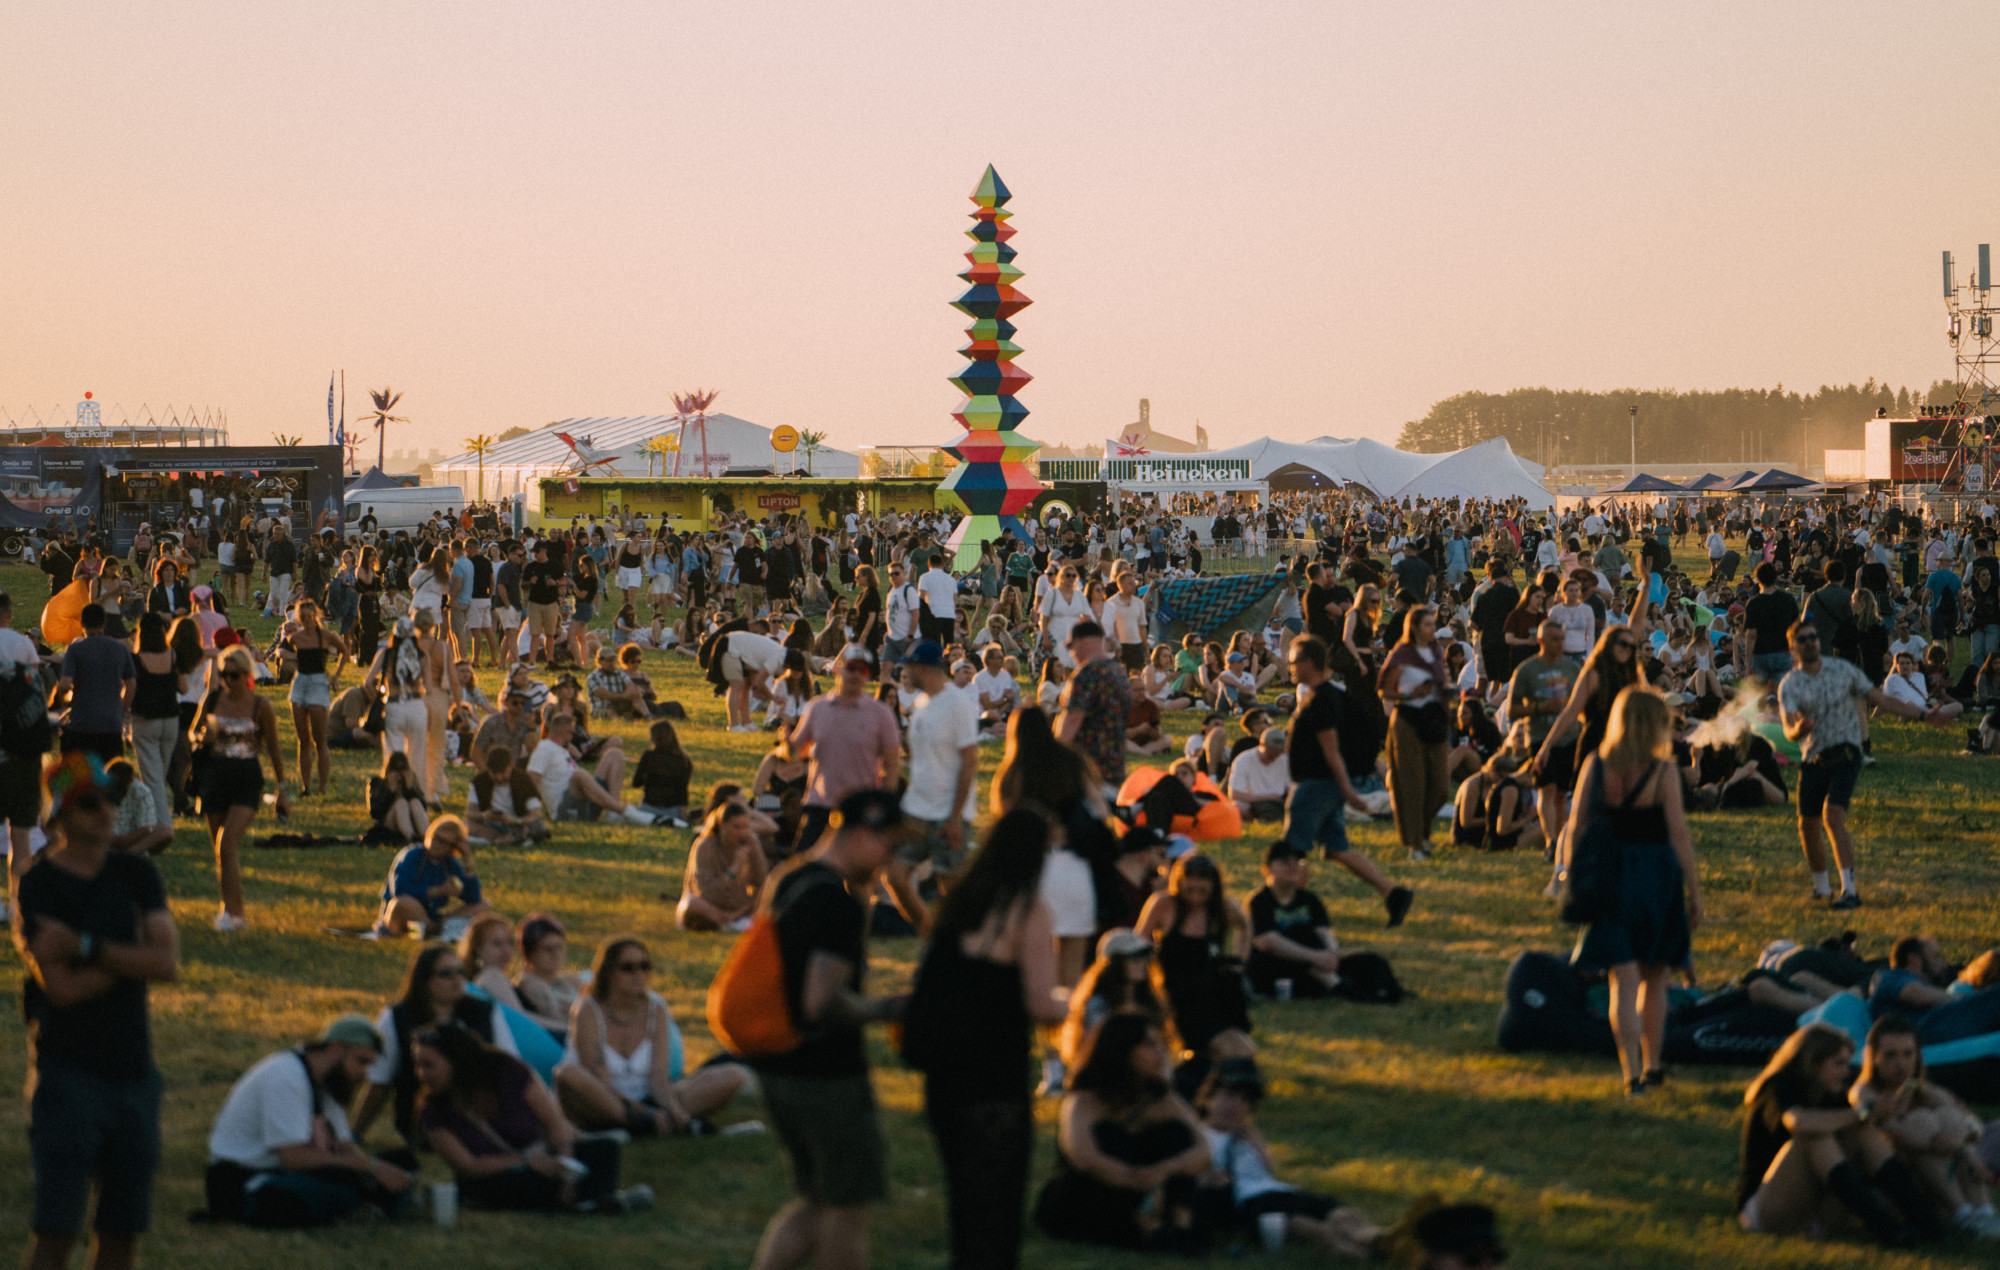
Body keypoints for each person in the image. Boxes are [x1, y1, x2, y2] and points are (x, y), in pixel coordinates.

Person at [14, 751, 179, 1270]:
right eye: (89, 803)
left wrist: (87, 947)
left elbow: (168, 962)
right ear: (60, 815)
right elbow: (58, 988)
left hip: (135, 1074)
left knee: (121, 1236)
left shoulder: (136, 875)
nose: (105, 812)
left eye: (110, 799)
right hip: (67, 1077)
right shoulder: (38, 884)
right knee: (57, 1234)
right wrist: (134, 956)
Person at [750, 789, 910, 1270]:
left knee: (817, 1201)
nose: (889, 863)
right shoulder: (839, 902)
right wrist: (889, 1007)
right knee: (847, 1209)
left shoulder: (788, 877)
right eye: (890, 847)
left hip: (778, 1065)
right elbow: (823, 1001)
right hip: (827, 1075)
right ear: (865, 835)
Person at [903, 807, 1066, 1270]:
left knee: (964, 1206)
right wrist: (1072, 1005)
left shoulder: (962, 903)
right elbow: (1039, 1005)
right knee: (996, 1216)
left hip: (945, 1077)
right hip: (995, 1077)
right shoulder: (1029, 910)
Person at [1566, 687, 1701, 1096]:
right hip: (1655, 876)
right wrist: (1695, 890)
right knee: (1655, 977)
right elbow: (1678, 834)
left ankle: (1631, 1074)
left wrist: (1571, 876)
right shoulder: (1663, 771)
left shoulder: (1598, 762)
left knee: (1620, 982)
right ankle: (1655, 1067)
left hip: (1610, 875)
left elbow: (1576, 825)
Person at [1779, 618, 1953, 908]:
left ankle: (1850, 891)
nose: (1810, 642)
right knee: (1807, 824)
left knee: (1833, 815)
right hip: (1814, 755)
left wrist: (1924, 716)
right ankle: (1822, 888)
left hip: (1847, 750)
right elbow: (1788, 726)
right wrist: (1798, 731)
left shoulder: (1842, 670)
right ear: (1793, 647)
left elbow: (1880, 699)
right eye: (1803, 639)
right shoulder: (1790, 684)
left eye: (1813, 637)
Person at [1737, 1023, 1944, 1246]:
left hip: (1818, 1211)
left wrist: (1884, 1116)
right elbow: (1798, 1121)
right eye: (1838, 1064)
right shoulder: (1779, 1085)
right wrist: (1863, 1113)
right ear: (1812, 1063)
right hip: (1767, 1210)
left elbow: (1865, 1129)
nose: (1846, 1072)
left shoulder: (1832, 1092)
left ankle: (1926, 1220)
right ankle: (1888, 1229)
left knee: (1862, 1131)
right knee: (1814, 1136)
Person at [414, 1023, 648, 1214]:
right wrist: (526, 1160)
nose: (422, 1074)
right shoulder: (433, 1113)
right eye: (419, 1066)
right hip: (495, 1175)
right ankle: (594, 1202)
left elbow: (554, 1123)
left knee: (605, 1149)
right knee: (521, 1183)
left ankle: (584, 1200)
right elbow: (469, 1166)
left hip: (545, 1155)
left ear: (455, 1061)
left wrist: (567, 1171)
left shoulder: (509, 1072)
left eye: (429, 1066)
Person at [203, 1015, 414, 1227]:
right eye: (361, 1061)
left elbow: (344, 1146)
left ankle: (367, 1204)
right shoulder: (286, 1075)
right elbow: (294, 1157)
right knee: (307, 1194)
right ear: (335, 1047)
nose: (365, 1074)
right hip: (249, 1182)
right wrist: (369, 1167)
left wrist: (375, 1172)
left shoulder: (329, 1080)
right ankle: (372, 1204)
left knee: (403, 1162)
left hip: (290, 1173)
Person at [1032, 1013, 1213, 1252]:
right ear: (1121, 1050)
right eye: (1149, 1045)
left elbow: (1203, 1151)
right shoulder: (1086, 1099)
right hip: (1093, 1192)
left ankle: (1176, 1226)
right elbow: (1085, 1158)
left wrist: (1164, 1170)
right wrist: (1135, 1179)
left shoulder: (1163, 1097)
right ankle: (1149, 1231)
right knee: (1109, 1135)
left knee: (1175, 1135)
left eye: (1161, 1044)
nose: (1160, 1052)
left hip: (1147, 1187)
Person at [554, 935, 747, 1135]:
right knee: (566, 1075)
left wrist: (674, 1109)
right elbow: (600, 1079)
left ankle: (643, 1127)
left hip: (651, 1098)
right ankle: (650, 1124)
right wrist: (646, 1113)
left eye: (644, 966)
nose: (638, 974)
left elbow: (658, 1078)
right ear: (608, 972)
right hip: (607, 1098)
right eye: (628, 968)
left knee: (733, 1076)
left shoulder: (656, 1008)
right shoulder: (588, 1010)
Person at [1281, 636, 1413, 927]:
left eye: (1293, 662)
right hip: (1324, 784)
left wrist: (1347, 790)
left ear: (1309, 663)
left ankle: (1290, 912)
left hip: (1317, 785)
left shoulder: (1322, 700)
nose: (1289, 667)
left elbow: (1332, 752)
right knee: (1336, 848)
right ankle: (1394, 894)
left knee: (1291, 852)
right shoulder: (1324, 695)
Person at [1196, 1058, 1382, 1256]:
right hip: (1251, 1202)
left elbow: (1268, 1171)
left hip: (1278, 1191)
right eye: (1230, 1095)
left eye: (1245, 1101)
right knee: (1306, 1226)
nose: (1236, 1105)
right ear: (1209, 1097)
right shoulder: (1198, 1136)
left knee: (1333, 1210)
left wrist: (1258, 1145)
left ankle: (1378, 1240)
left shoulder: (1247, 1134)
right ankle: (1359, 1251)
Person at [352, 943, 523, 1147]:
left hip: (483, 1117)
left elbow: (512, 1067)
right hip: (424, 1123)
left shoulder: (484, 1012)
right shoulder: (398, 1018)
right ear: (424, 980)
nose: (457, 979)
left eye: (461, 972)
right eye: (446, 974)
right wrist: (354, 1134)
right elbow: (380, 1082)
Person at [1850, 1014, 2000, 1236]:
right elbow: (1900, 1135)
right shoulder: (1865, 1092)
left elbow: (1971, 1123)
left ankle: (1984, 1212)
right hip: (1889, 1184)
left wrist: (1962, 1143)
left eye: (1908, 1054)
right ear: (1874, 1057)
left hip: (1932, 1177)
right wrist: (1959, 1148)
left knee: (1948, 1116)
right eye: (1890, 1055)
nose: (1901, 1064)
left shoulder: (1921, 1090)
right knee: (1923, 1122)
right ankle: (1964, 1214)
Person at [190, 646, 290, 932]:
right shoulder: (211, 700)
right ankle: (228, 909)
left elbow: (273, 749)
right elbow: (192, 732)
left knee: (227, 843)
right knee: (219, 850)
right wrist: (202, 736)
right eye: (223, 675)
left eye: (233, 675)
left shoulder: (260, 706)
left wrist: (282, 790)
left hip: (246, 778)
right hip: (214, 776)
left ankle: (238, 914)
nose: (228, 681)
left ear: (247, 675)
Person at [1137, 853, 1255, 1067]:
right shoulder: (1164, 905)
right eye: (1190, 878)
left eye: (1203, 879)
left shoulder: (1221, 908)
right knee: (1231, 1053)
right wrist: (1144, 980)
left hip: (1213, 997)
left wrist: (1239, 963)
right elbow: (1138, 944)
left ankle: (1201, 1067)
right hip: (1176, 999)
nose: (1196, 885)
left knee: (1246, 1053)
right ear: (1178, 880)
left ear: (1214, 884)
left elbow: (1244, 927)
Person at [786, 645, 902, 857]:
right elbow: (795, 754)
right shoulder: (817, 708)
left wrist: (884, 804)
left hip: (860, 810)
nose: (857, 674)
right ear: (838, 669)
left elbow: (892, 765)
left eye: (863, 670)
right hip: (820, 804)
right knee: (803, 869)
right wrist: (786, 744)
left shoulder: (881, 714)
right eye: (851, 667)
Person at [898, 639, 981, 927]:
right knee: (895, 873)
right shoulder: (920, 704)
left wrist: (955, 816)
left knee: (952, 888)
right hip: (918, 809)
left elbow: (969, 762)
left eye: (910, 668)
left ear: (924, 668)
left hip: (948, 811)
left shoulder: (956, 704)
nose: (905, 674)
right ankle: (928, 932)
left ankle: (958, 946)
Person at [1378, 605, 1451, 860]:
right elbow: (1384, 691)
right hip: (1407, 719)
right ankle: (1416, 845)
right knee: (1412, 784)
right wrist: (1410, 694)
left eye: (1434, 623)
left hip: (1435, 717)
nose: (1433, 628)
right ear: (1415, 628)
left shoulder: (1435, 651)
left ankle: (1422, 831)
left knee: (1440, 786)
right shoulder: (1403, 653)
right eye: (1428, 624)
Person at [1510, 619, 1582, 867]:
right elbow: (1511, 709)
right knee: (1546, 789)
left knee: (1562, 793)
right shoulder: (1527, 670)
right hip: (1540, 739)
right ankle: (1551, 841)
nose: (1560, 644)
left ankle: (1560, 841)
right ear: (1541, 641)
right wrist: (1541, 708)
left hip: (1570, 737)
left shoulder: (1572, 668)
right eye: (1555, 639)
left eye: (1562, 639)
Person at [1244, 841, 1341, 998]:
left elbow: (1324, 933)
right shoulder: (1259, 902)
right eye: (1284, 861)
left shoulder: (1309, 899)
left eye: (1298, 861)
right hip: (1275, 967)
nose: (1293, 866)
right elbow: (1268, 942)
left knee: (1371, 962)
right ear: (1266, 869)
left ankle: (1337, 984)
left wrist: (1332, 955)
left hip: (1315, 963)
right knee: (1300, 933)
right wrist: (1316, 957)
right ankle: (1338, 986)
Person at [1865, 936, 2000, 1045]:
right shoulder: (1888, 976)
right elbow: (1916, 993)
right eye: (1936, 956)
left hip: (1934, 1025)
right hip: (1924, 1028)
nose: (1944, 964)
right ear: (1914, 960)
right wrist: (1963, 1000)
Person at [374, 815, 491, 938]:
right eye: (436, 837)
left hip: (431, 917)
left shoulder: (449, 865)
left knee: (484, 906)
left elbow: (474, 898)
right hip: (399, 917)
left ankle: (433, 929)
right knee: (404, 903)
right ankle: (434, 931)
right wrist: (439, 891)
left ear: (452, 848)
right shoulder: (411, 856)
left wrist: (467, 858)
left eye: (444, 842)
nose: (437, 844)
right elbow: (400, 892)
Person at [528, 712, 652, 826]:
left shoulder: (562, 750)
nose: (572, 737)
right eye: (572, 733)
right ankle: (626, 811)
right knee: (579, 775)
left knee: (614, 754)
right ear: (564, 732)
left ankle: (613, 814)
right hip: (566, 810)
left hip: (583, 801)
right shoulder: (544, 749)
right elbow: (531, 780)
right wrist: (537, 809)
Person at [279, 598, 348, 798]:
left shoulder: (327, 636)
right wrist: (292, 662)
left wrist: (336, 676)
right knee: (303, 740)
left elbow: (345, 651)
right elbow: (280, 653)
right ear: (299, 619)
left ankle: (322, 788)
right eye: (304, 617)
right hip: (300, 684)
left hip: (319, 684)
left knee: (320, 739)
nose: (308, 620)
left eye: (311, 616)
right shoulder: (295, 638)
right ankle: (306, 787)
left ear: (316, 616)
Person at [124, 612, 183, 840]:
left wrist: (124, 713)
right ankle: (146, 817)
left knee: (153, 775)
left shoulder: (136, 659)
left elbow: (129, 690)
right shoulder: (173, 656)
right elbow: (184, 688)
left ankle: (162, 824)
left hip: (145, 720)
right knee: (159, 772)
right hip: (171, 720)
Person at [54, 603, 135, 764]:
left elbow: (64, 684)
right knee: (110, 775)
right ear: (104, 623)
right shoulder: (119, 649)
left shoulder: (76, 649)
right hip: (112, 723)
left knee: (80, 777)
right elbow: (131, 684)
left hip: (82, 722)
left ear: (82, 624)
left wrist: (62, 702)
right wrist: (122, 709)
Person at [1056, 619, 1131, 791]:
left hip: (1086, 769)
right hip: (1116, 766)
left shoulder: (1087, 674)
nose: (1072, 653)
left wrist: (1056, 755)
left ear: (1081, 641)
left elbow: (1073, 718)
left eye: (1071, 647)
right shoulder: (1118, 672)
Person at [676, 802, 769, 932]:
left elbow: (763, 884)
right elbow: (704, 893)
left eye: (746, 827)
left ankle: (727, 922)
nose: (742, 832)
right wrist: (734, 868)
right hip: (709, 906)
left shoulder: (750, 842)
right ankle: (725, 921)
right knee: (691, 904)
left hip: (739, 909)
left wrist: (755, 853)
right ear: (722, 825)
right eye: (736, 827)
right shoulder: (705, 846)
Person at [464, 746, 548, 845]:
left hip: (517, 825)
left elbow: (535, 814)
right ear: (488, 769)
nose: (499, 777)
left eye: (503, 773)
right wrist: (483, 816)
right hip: (489, 825)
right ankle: (504, 840)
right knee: (464, 824)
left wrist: (515, 821)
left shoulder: (523, 780)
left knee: (537, 826)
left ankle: (497, 840)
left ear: (511, 766)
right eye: (494, 773)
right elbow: (470, 812)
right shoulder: (479, 782)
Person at [722, 627, 794, 732]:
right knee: (737, 685)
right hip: (730, 645)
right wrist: (774, 698)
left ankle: (746, 723)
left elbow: (755, 681)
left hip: (742, 650)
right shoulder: (778, 657)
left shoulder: (778, 653)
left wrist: (772, 697)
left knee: (746, 686)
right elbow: (759, 682)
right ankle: (733, 725)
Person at [631, 716, 693, 824]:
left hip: (649, 809)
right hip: (672, 811)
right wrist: (684, 819)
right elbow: (682, 793)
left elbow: (636, 783)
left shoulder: (649, 756)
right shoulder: (684, 761)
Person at [1226, 725, 1290, 822]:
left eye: (1279, 752)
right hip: (1251, 802)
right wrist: (1265, 797)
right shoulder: (1244, 760)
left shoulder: (1285, 760)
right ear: (1261, 745)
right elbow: (1234, 794)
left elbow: (1292, 788)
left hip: (1277, 802)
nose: (1275, 756)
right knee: (1237, 808)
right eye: (1271, 752)